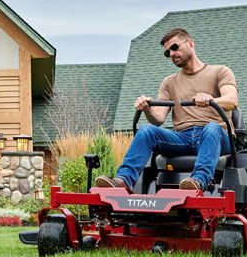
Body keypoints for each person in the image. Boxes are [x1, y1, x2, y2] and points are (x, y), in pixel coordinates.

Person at [96, 27, 238, 192]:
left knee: (211, 128)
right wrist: (147, 109)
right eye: (167, 52)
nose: (171, 54)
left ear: (190, 43)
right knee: (146, 130)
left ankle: (197, 182)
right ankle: (123, 181)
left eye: (175, 47)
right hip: (183, 137)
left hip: (216, 136)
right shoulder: (169, 82)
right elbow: (159, 118)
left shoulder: (220, 72)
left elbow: (232, 100)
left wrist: (211, 99)